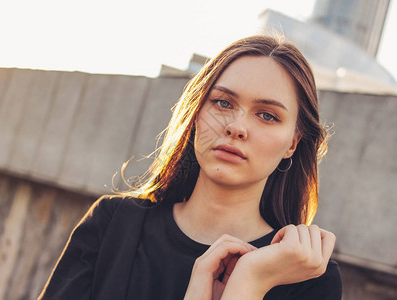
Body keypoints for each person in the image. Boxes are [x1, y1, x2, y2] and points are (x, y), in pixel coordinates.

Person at [38, 35, 342, 300]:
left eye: (267, 115)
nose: (236, 127)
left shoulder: (307, 274)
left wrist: (250, 283)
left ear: (293, 143)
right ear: (196, 114)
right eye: (223, 103)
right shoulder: (112, 224)